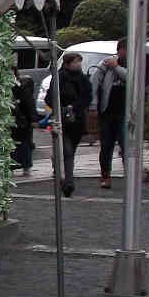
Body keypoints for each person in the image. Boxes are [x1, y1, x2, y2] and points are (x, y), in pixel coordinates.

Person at [38, 53, 92, 195]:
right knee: (67, 151)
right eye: (75, 62)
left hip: (77, 121)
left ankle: (61, 169)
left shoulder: (83, 79)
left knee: (70, 151)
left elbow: (87, 97)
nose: (78, 65)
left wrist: (74, 107)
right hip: (62, 120)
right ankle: (68, 182)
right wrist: (62, 108)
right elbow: (50, 98)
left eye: (79, 62)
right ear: (67, 64)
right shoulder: (59, 78)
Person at [90, 38, 129, 189]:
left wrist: (117, 67)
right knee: (106, 146)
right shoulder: (105, 63)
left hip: (126, 113)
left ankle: (129, 175)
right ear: (119, 50)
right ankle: (105, 175)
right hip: (107, 111)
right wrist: (93, 105)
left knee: (127, 145)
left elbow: (132, 79)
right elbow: (94, 82)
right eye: (126, 49)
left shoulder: (135, 63)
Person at [9, 73, 37, 176]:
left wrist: (33, 119)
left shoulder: (21, 87)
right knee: (18, 145)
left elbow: (29, 103)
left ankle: (24, 167)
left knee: (22, 145)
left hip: (21, 121)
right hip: (17, 121)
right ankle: (21, 167)